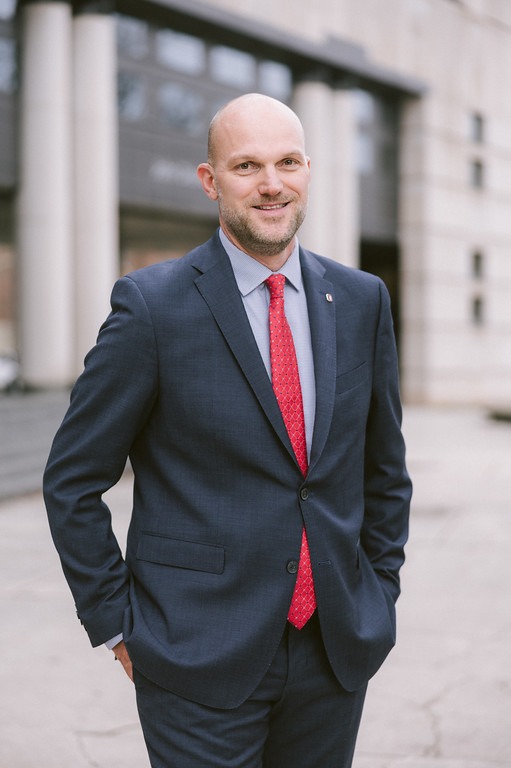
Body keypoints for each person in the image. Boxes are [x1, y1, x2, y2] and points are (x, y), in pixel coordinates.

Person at [44, 92, 412, 768]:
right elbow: (71, 480)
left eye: (287, 162)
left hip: (333, 651)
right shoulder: (151, 307)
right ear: (210, 181)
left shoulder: (361, 300)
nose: (271, 184)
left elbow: (383, 468)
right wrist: (117, 625)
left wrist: (377, 593)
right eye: (246, 166)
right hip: (192, 654)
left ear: (307, 170)